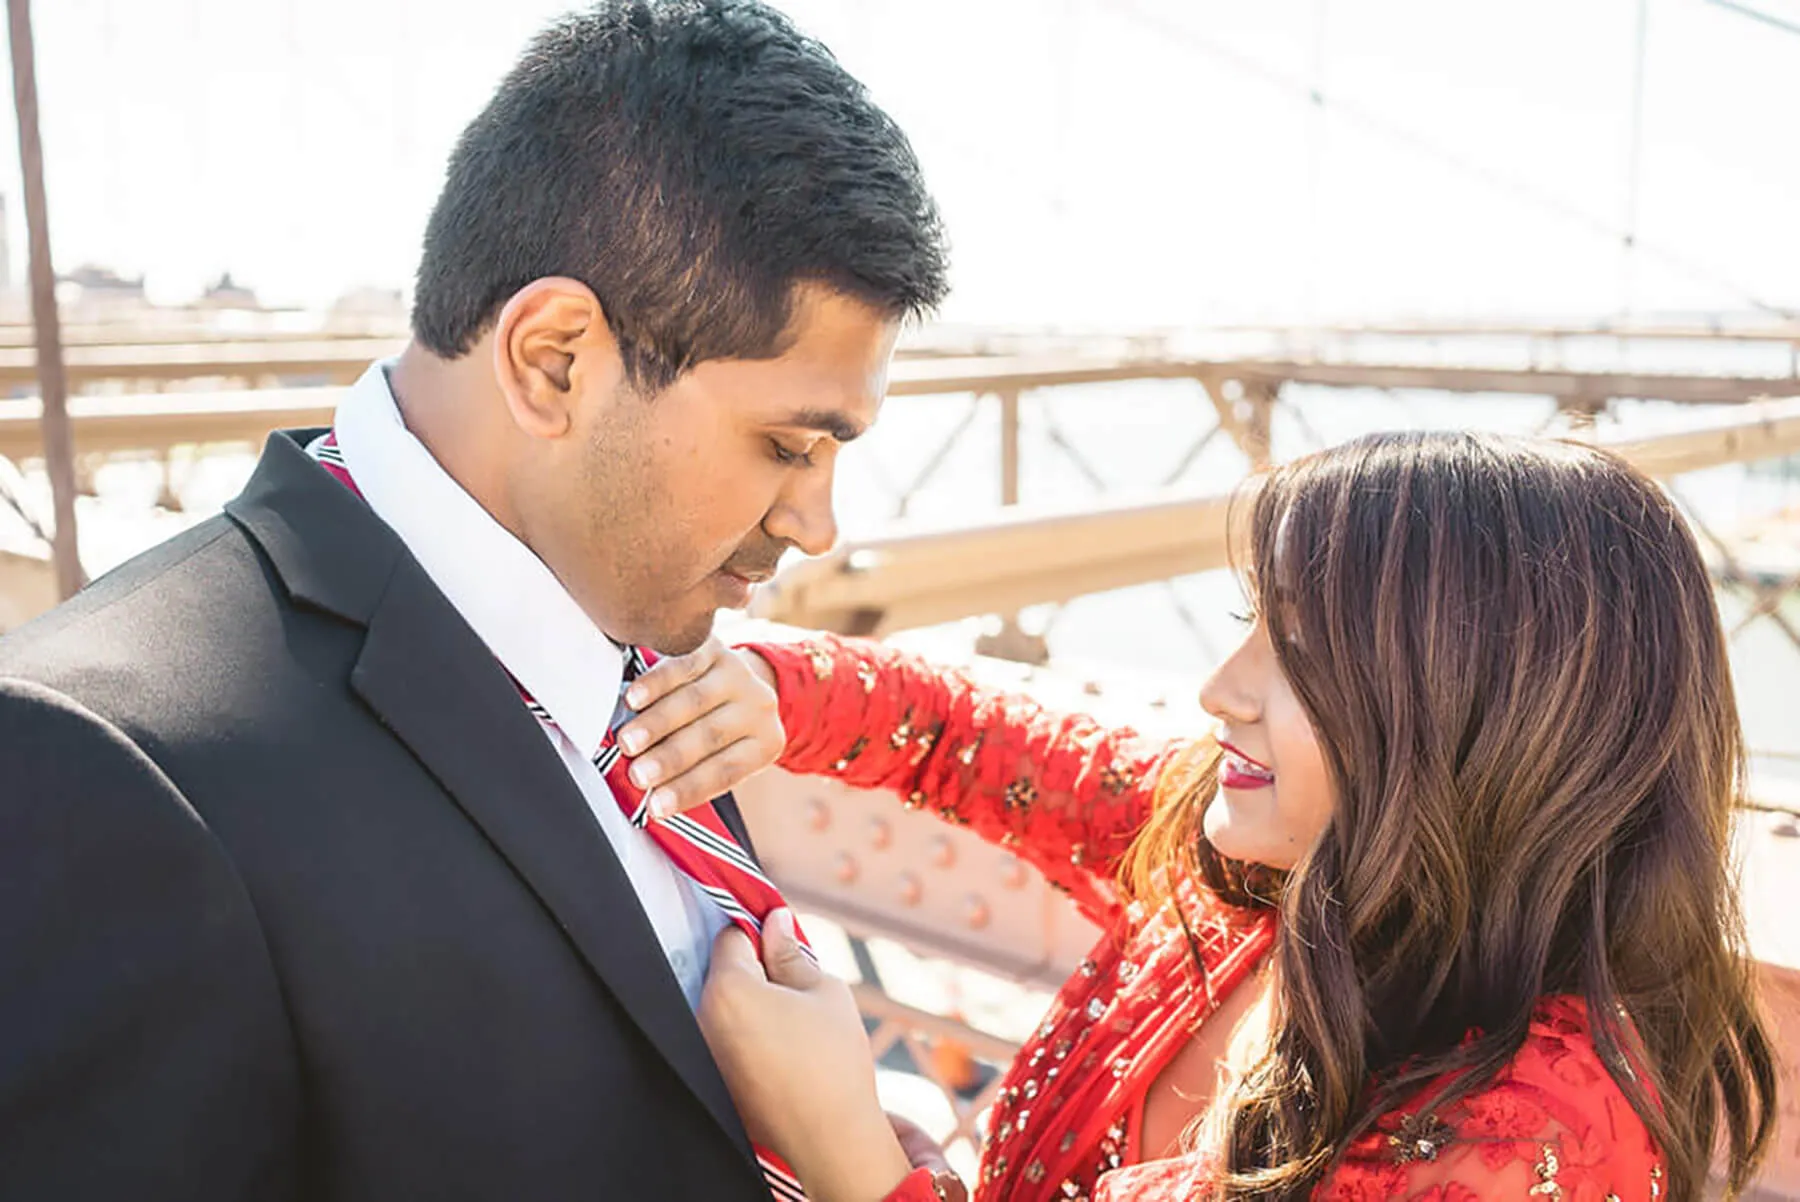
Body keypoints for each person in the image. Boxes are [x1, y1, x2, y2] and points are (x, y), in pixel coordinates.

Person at [0, 2, 946, 1199]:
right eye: (787, 444)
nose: (818, 522)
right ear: (552, 358)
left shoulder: (631, 636)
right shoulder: (105, 770)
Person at [672, 431, 1777, 1202]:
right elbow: (961, 737)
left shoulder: (1528, 1127)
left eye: (1296, 647)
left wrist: (850, 1156)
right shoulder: (1236, 859)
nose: (1219, 688)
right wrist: (769, 686)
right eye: (1251, 621)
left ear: (1475, 716)